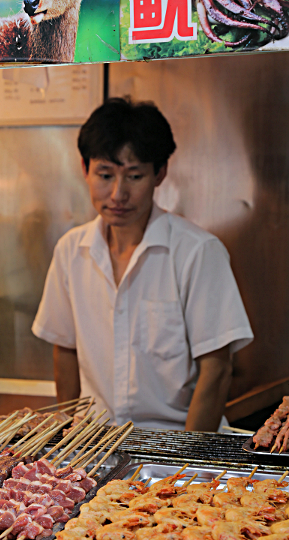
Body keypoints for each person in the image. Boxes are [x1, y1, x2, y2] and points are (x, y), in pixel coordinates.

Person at [32, 97, 253, 431]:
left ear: (160, 173)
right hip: (97, 443)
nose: (118, 194)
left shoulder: (197, 252)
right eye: (105, 175)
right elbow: (64, 348)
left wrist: (182, 460)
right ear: (84, 169)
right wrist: (67, 430)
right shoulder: (70, 251)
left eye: (134, 176)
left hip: (175, 440)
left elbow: (217, 368)